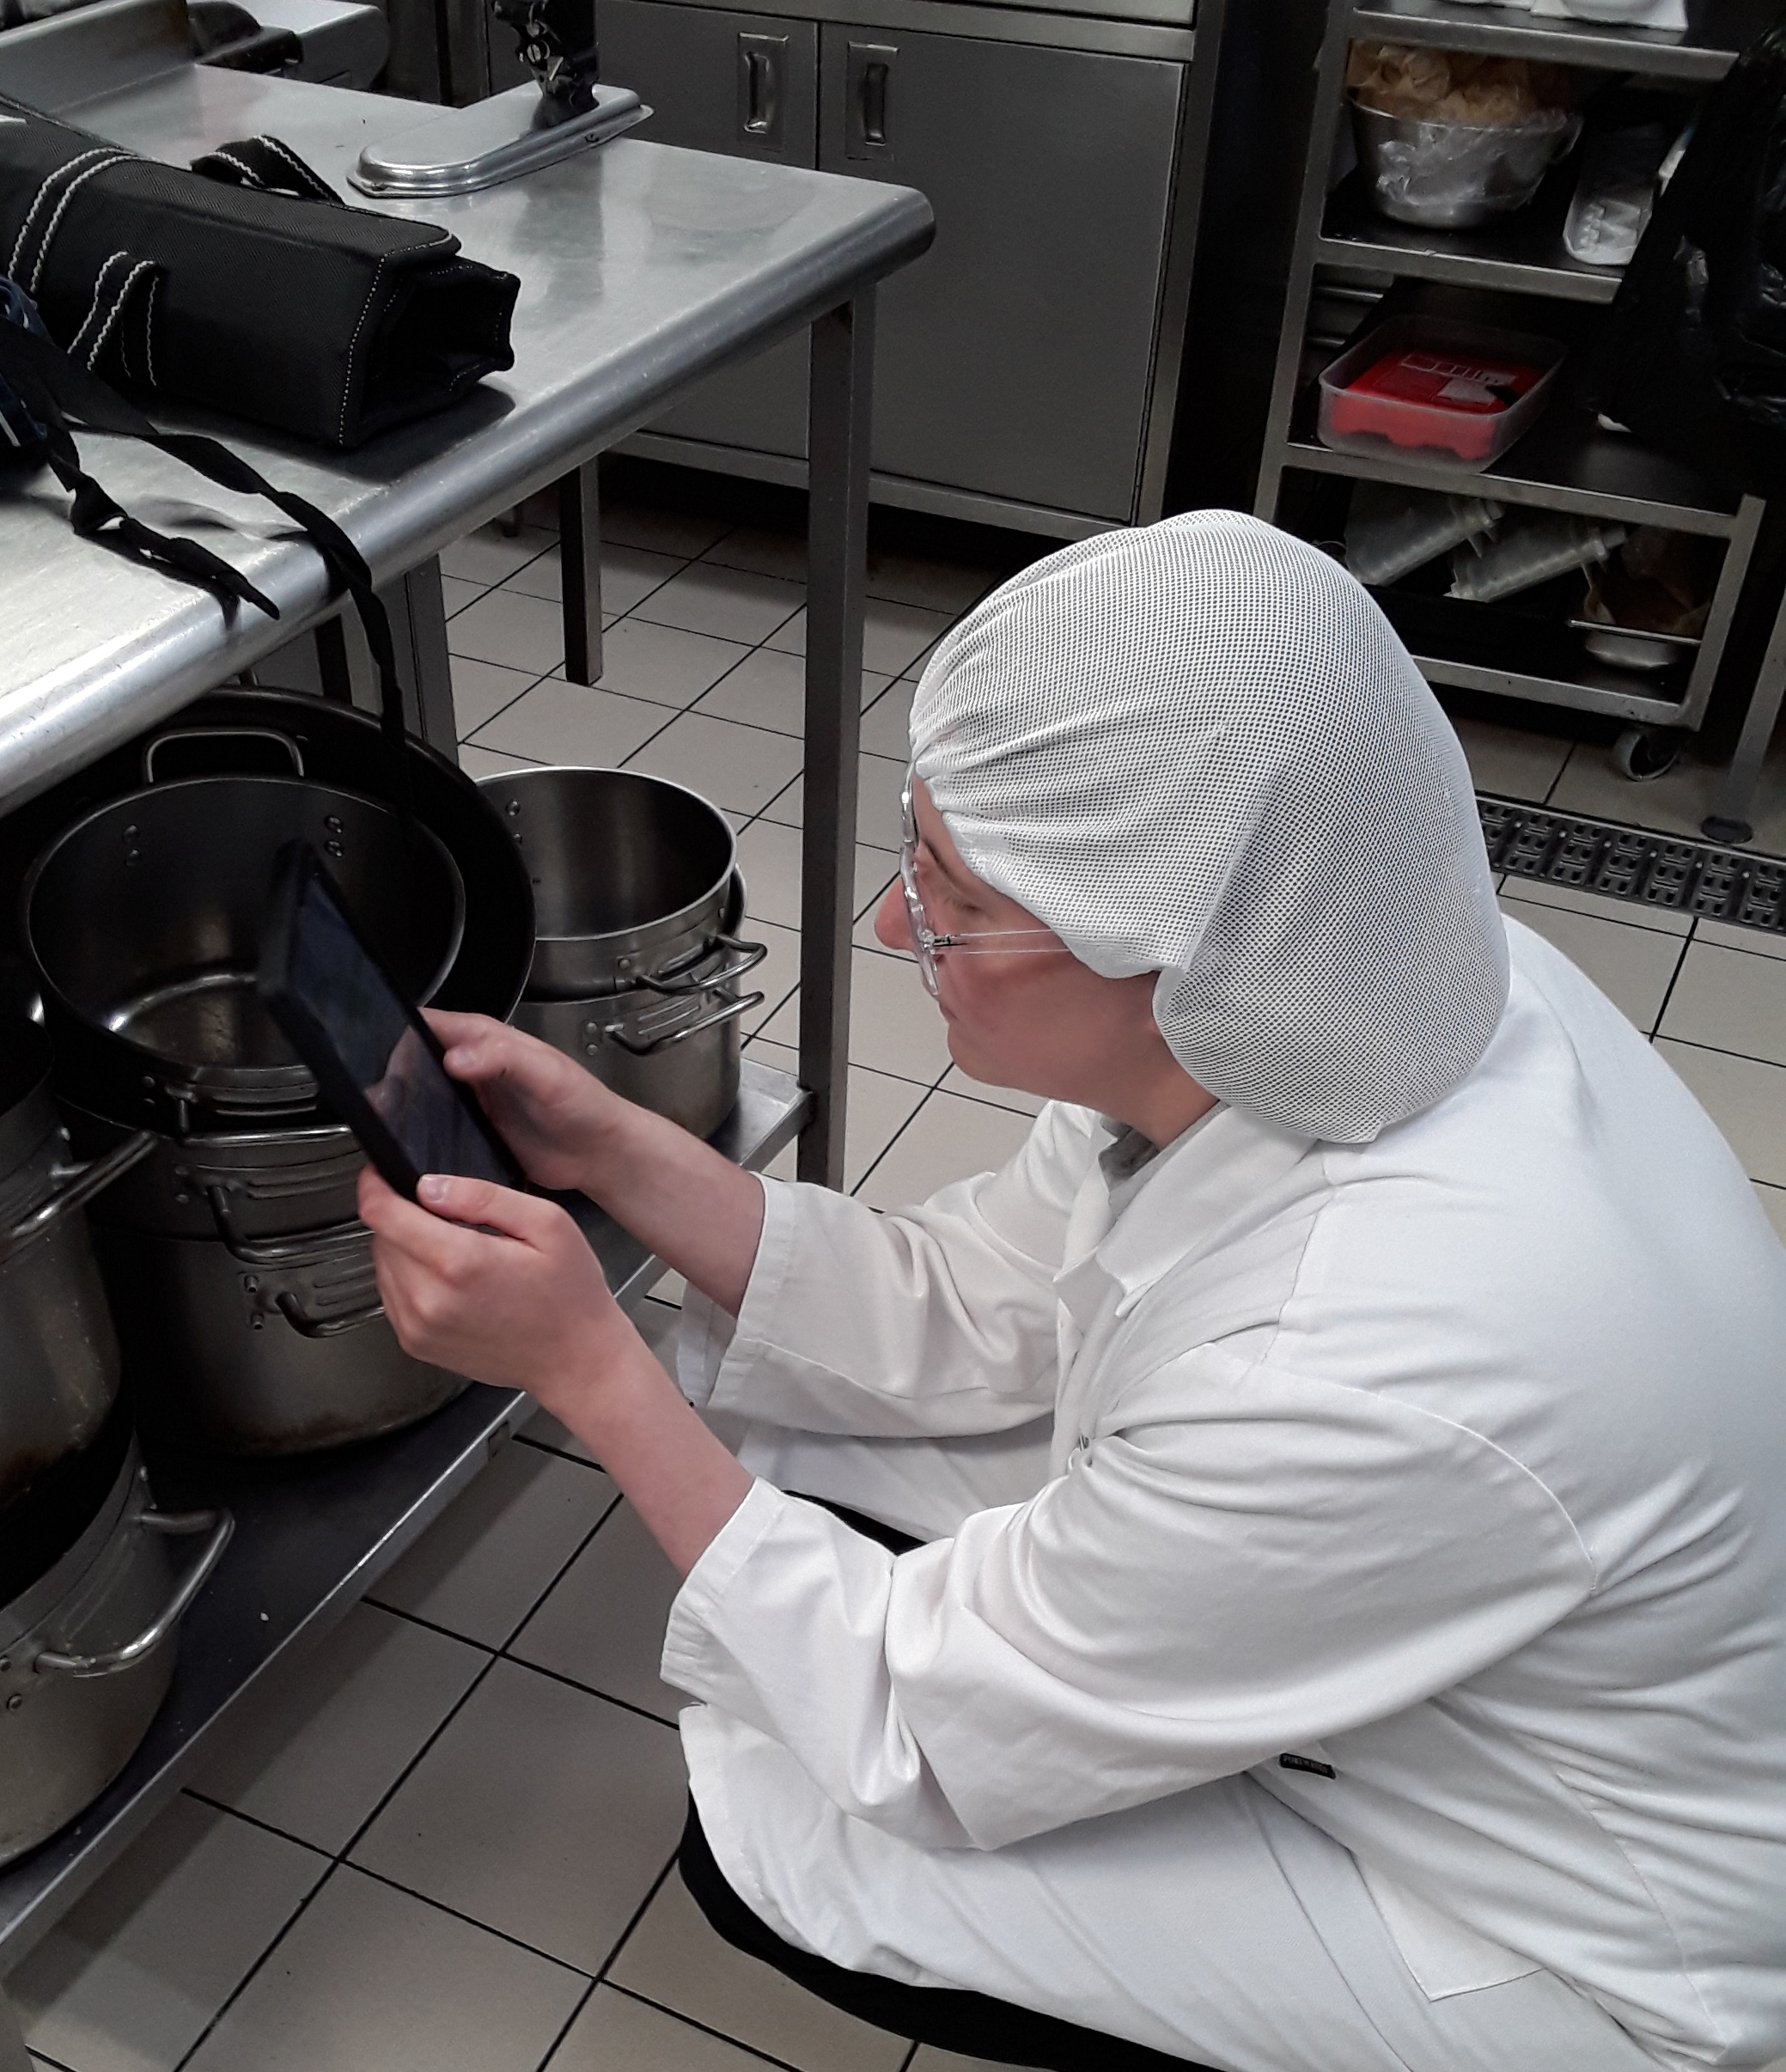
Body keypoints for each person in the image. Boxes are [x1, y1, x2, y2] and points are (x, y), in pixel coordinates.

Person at [357, 510, 1786, 2072]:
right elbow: (988, 1296)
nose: (891, 923)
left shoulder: (1355, 1366)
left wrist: (587, 1367)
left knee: (801, 1834)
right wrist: (620, 1150)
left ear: (1156, 953)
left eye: (951, 898)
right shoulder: (1344, 974)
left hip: (1597, 1930)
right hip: (1482, 1608)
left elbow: (914, 1734)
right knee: (823, 1457)